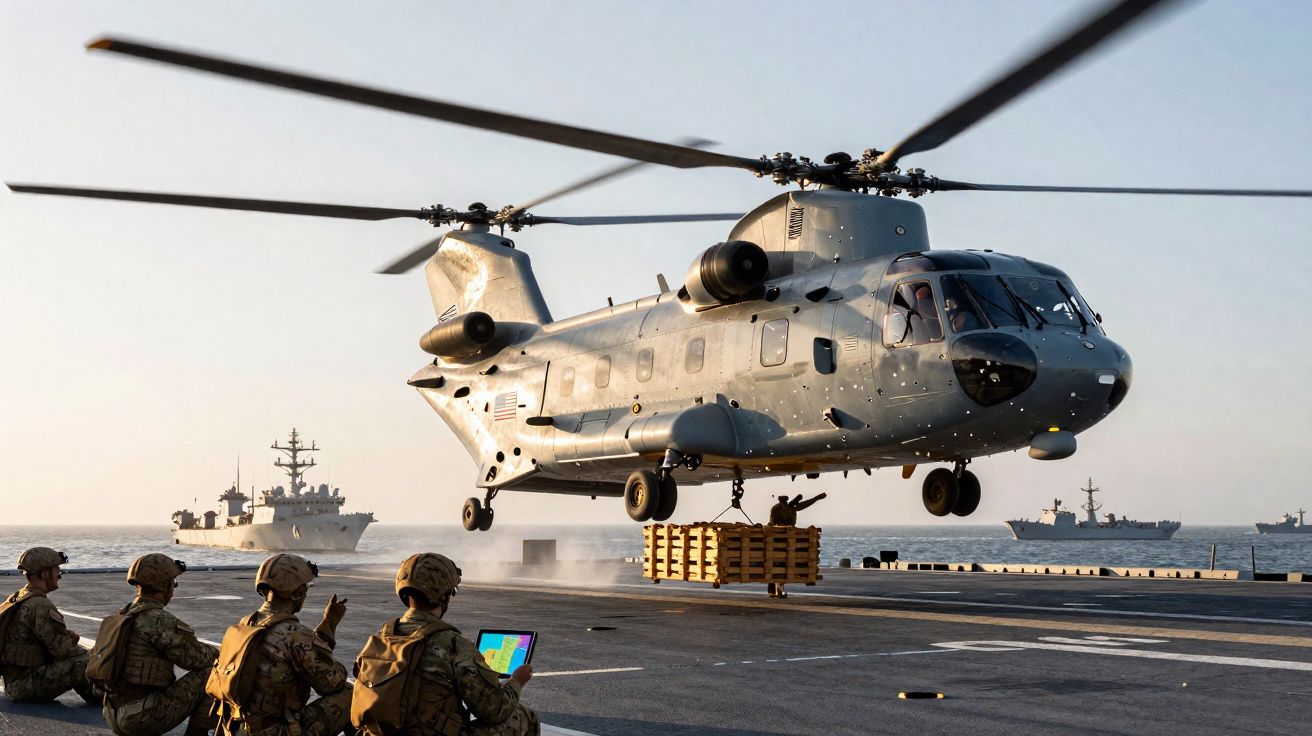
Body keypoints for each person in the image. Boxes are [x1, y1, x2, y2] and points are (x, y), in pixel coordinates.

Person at [353, 552, 539, 736]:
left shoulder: (382, 637)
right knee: (524, 717)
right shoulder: (452, 643)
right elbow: (494, 710)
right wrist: (516, 681)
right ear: (444, 597)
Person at [212, 553, 351, 736]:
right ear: (297, 592)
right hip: (276, 731)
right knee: (351, 693)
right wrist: (330, 625)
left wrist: (327, 625)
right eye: (305, 587)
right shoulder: (294, 634)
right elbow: (332, 682)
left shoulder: (246, 624)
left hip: (237, 728)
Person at [96, 554, 218, 736]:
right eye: (173, 583)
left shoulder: (123, 615)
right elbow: (196, 659)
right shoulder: (158, 620)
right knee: (212, 673)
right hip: (140, 718)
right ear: (164, 585)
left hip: (113, 713)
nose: (173, 588)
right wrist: (222, 654)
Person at [0, 547, 96, 704]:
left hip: (14, 681)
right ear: (44, 574)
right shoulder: (40, 605)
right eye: (56, 569)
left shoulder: (18, 597)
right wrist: (75, 639)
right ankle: (101, 698)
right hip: (25, 685)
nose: (59, 573)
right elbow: (63, 650)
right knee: (84, 660)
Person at [766, 494, 827, 598]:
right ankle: (776, 590)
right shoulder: (783, 508)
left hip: (785, 536)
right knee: (779, 562)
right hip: (782, 536)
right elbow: (772, 521)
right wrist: (817, 498)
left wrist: (816, 498)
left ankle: (777, 590)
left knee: (779, 562)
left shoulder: (788, 508)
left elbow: (805, 504)